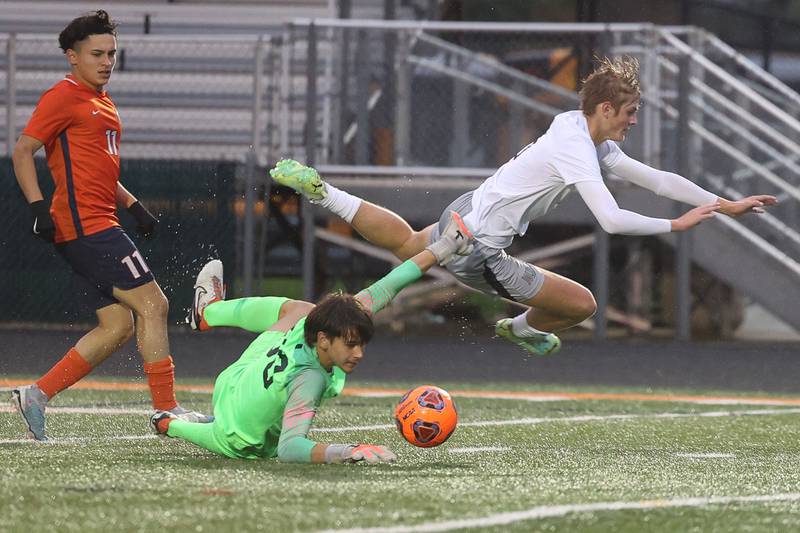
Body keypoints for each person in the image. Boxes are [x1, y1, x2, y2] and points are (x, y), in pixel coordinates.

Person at [269, 56, 777, 356]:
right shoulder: (577, 147)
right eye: (630, 113)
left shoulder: (577, 129)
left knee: (406, 243)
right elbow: (613, 220)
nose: (633, 121)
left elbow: (657, 177)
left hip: (466, 210)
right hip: (477, 249)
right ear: (605, 109)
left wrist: (724, 204)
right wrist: (675, 224)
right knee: (582, 306)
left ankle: (324, 193)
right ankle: (520, 328)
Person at [10, 10, 210, 441]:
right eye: (97, 54)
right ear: (72, 57)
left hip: (98, 221)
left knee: (117, 327)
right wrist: (37, 207)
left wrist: (134, 205)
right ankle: (166, 410)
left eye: (112, 54)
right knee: (154, 305)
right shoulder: (62, 96)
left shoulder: (101, 100)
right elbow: (23, 152)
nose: (106, 61)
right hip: (88, 226)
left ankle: (36, 395)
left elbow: (97, 167)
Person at [150, 211, 473, 464]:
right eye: (350, 344)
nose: (358, 353)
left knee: (301, 310)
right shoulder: (309, 378)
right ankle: (169, 422)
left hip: (233, 381)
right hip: (239, 438)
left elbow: (392, 282)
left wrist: (444, 246)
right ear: (323, 341)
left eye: (361, 343)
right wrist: (347, 451)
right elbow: (290, 449)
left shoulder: (327, 323)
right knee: (211, 430)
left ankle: (210, 313)